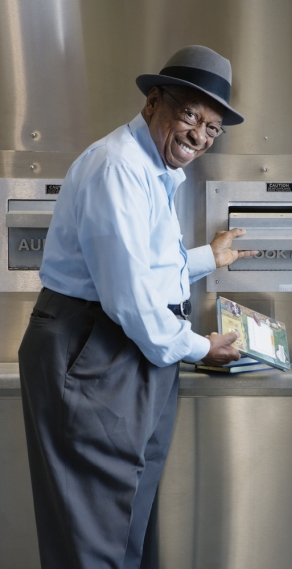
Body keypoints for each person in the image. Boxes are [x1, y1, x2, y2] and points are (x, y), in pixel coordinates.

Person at [18, 45, 256, 569]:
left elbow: (142, 266)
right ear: (153, 102)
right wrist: (199, 347)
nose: (200, 135)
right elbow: (128, 296)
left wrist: (203, 259)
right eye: (191, 115)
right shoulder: (118, 168)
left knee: (124, 521)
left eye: (213, 127)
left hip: (127, 351)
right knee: (94, 537)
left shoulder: (154, 167)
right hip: (93, 352)